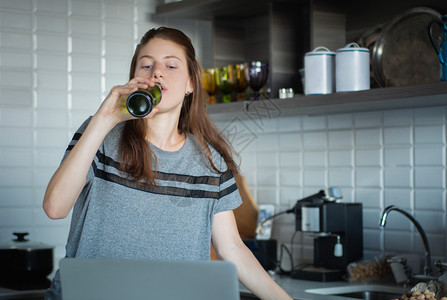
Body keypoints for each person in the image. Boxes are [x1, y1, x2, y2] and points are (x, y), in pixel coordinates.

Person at [43, 26, 292, 300]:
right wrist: (105, 118)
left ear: (190, 84)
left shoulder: (211, 163)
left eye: (171, 65)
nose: (156, 72)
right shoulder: (100, 135)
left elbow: (232, 248)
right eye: (146, 65)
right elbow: (55, 207)